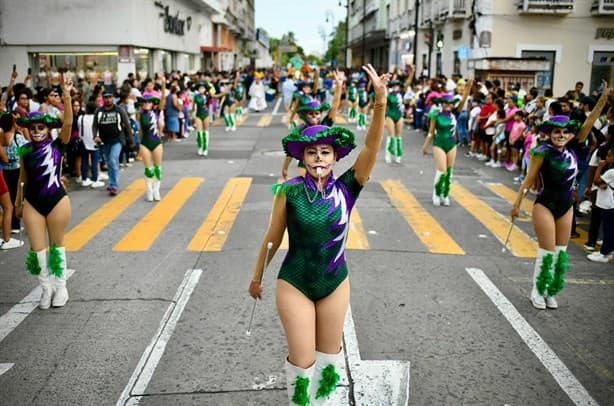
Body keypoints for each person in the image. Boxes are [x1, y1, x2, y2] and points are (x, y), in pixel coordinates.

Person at [248, 65, 389, 405]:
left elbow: (370, 148)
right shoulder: (289, 191)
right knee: (303, 360)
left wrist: (380, 102)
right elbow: (272, 237)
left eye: (325, 152)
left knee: (328, 361)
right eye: (312, 153)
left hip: (334, 282)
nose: (319, 158)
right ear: (304, 158)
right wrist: (256, 278)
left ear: (335, 156)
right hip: (294, 281)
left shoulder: (348, 189)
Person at [510, 81, 610, 310]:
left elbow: (590, 121)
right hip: (545, 204)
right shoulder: (541, 152)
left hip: (566, 205)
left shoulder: (574, 149)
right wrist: (516, 205)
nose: (562, 135)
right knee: (546, 252)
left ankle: (550, 290)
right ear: (550, 133)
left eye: (565, 132)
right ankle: (537, 290)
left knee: (561, 252)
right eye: (557, 132)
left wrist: (603, 99)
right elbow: (528, 180)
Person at [14, 74, 74, 309]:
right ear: (28, 130)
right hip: (32, 203)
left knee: (57, 247)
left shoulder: (58, 145)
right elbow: (22, 178)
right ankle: (45, 289)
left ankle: (61, 288)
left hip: (57, 200)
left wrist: (66, 95)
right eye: (33, 128)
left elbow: (68, 124)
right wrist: (18, 203)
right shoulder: (25, 150)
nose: (37, 131)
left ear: (48, 129)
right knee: (37, 251)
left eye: (42, 127)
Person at [422, 81, 472, 206]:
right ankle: (436, 194)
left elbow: (464, 99)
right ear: (442, 104)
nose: (448, 105)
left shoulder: (455, 113)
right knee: (441, 171)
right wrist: (425, 145)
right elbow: (431, 132)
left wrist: (468, 88)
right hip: (439, 144)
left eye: (450, 104)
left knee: (449, 172)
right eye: (446, 103)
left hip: (451, 145)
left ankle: (445, 194)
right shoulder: (436, 115)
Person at [92, 90, 135, 196]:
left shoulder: (119, 110)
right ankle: (111, 183)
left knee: (113, 159)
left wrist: (131, 140)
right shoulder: (99, 111)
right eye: (106, 97)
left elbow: (127, 125)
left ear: (113, 98)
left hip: (118, 140)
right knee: (109, 162)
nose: (108, 99)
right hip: (105, 140)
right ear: (103, 99)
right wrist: (95, 136)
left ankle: (114, 186)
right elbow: (95, 125)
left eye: (110, 97)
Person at [0, 113, 25, 249]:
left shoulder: (3, 136)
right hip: (13, 171)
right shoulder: (16, 137)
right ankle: (9, 235)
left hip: (5, 172)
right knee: (12, 202)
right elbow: (25, 152)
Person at [137, 94, 166, 201]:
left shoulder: (157, 112)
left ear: (153, 104)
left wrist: (163, 84)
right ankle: (149, 190)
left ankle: (156, 190)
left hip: (156, 142)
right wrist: (139, 145)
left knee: (158, 169)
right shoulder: (140, 115)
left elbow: (163, 100)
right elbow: (140, 131)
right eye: (144, 102)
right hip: (145, 143)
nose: (146, 104)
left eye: (149, 102)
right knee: (148, 170)